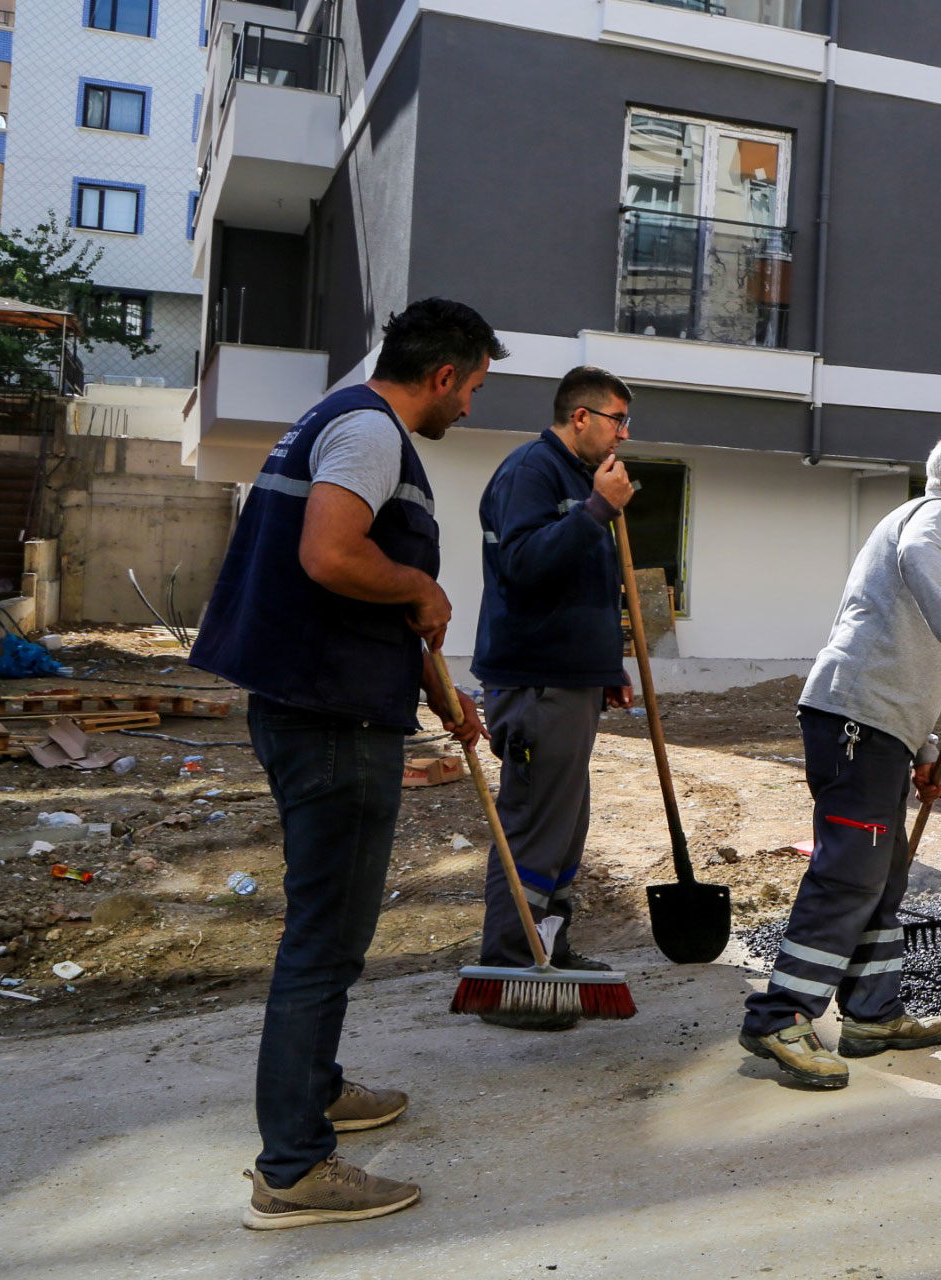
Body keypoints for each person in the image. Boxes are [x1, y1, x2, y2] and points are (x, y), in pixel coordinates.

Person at [189, 299, 502, 1227]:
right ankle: (292, 1168)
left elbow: (345, 590)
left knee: (323, 930)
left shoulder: (331, 420)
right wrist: (419, 583)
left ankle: (316, 1089)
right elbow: (329, 556)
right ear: (441, 376)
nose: (471, 410)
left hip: (313, 699)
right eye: (474, 389)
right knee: (325, 942)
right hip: (328, 719)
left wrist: (437, 687)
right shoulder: (371, 432)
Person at [739, 433, 941, 1088]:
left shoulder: (935, 535)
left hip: (876, 727)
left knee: (884, 877)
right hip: (855, 721)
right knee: (851, 872)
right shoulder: (934, 516)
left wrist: (925, 750)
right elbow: (920, 569)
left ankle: (872, 1012)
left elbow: (901, 658)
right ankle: (780, 1016)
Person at [467, 366, 639, 1029]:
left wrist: (607, 666)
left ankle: (551, 952)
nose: (624, 433)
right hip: (534, 681)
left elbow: (584, 585)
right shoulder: (531, 473)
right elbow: (525, 566)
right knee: (535, 827)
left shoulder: (579, 481)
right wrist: (598, 510)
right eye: (618, 419)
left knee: (566, 832)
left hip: (573, 680)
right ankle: (511, 971)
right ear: (581, 418)